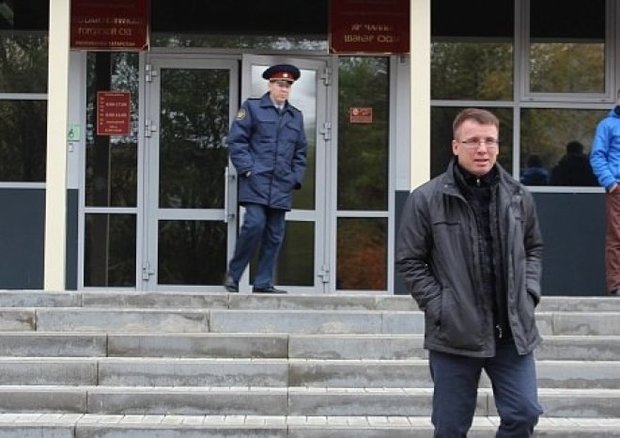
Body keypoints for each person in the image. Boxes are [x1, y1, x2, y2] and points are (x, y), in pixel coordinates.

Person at [395, 108, 544, 437]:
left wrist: (529, 293)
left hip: (512, 332)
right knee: (450, 427)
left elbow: (533, 248)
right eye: (473, 141)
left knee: (524, 413)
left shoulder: (519, 196)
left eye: (490, 141)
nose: (482, 149)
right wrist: (441, 306)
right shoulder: (427, 199)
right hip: (455, 335)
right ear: (455, 146)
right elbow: (410, 260)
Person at [223, 64, 307, 294]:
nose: (284, 89)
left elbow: (300, 152)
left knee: (274, 235)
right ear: (270, 85)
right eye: (280, 84)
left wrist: (294, 178)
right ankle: (234, 275)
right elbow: (236, 141)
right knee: (254, 225)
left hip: (282, 184)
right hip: (256, 182)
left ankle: (263, 282)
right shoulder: (252, 108)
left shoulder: (295, 116)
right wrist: (247, 169)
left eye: (288, 85)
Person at [590, 104, 620, 296]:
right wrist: (610, 183)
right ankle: (617, 284)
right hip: (618, 188)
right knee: (617, 236)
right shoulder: (607, 125)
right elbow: (597, 156)